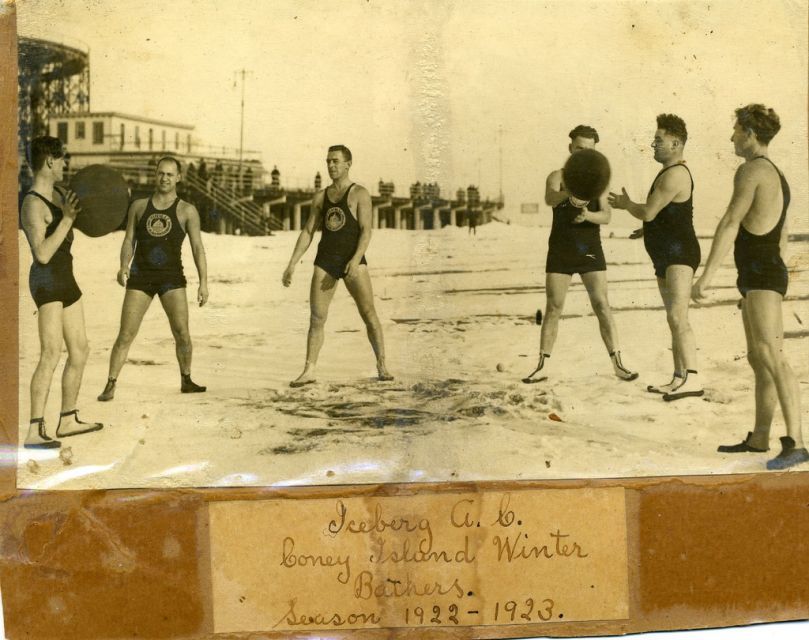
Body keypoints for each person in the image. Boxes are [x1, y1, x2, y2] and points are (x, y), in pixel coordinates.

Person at [692, 104, 807, 470]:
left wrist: (705, 277)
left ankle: (797, 443)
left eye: (736, 131)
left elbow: (729, 223)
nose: (731, 138)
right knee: (760, 359)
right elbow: (783, 233)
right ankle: (760, 437)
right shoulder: (777, 174)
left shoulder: (751, 170)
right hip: (763, 273)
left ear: (751, 134)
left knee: (771, 356)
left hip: (761, 275)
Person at [525, 125, 637, 384]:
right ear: (570, 149)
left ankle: (618, 364)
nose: (583, 153)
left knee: (601, 305)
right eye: (579, 148)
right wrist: (572, 192)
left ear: (595, 151)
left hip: (589, 249)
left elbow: (606, 216)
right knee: (553, 307)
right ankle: (542, 366)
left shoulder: (599, 178)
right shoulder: (558, 175)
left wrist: (588, 215)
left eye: (588, 149)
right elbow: (550, 198)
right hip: (561, 248)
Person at [608, 114, 702, 401]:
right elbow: (661, 215)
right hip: (666, 253)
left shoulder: (676, 173)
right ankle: (678, 378)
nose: (653, 144)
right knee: (673, 318)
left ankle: (694, 378)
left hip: (680, 253)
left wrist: (626, 205)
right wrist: (646, 229)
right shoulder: (667, 172)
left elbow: (649, 210)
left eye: (658, 140)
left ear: (676, 143)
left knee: (678, 316)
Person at [98, 156, 208, 401]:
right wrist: (123, 265)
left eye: (170, 174)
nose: (165, 178)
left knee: (182, 334)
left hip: (172, 278)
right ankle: (110, 383)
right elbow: (128, 240)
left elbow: (198, 248)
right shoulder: (139, 206)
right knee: (125, 334)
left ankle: (186, 379)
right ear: (155, 175)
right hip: (141, 276)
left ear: (179, 177)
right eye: (161, 173)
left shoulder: (187, 210)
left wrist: (204, 282)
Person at [282, 145, 392, 387]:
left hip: (353, 260)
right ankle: (309, 370)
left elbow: (366, 232)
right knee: (316, 318)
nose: (331, 165)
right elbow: (308, 231)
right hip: (326, 261)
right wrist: (291, 263)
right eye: (328, 161)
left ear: (348, 164)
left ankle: (382, 365)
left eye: (335, 161)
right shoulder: (321, 197)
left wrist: (355, 259)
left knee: (369, 314)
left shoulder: (360, 194)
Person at [20, 136, 103, 449]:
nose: (66, 164)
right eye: (62, 159)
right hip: (46, 279)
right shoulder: (31, 204)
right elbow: (41, 253)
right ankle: (33, 430)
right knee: (51, 352)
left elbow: (86, 215)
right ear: (50, 162)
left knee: (80, 350)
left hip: (65, 276)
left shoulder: (57, 193)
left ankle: (67, 419)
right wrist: (67, 219)